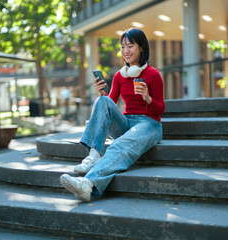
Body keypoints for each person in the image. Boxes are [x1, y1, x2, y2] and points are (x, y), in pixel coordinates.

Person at [60, 28, 165, 201]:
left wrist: (147, 98)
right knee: (102, 101)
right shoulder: (119, 76)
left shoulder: (153, 75)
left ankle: (87, 184)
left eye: (130, 46)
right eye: (123, 47)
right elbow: (109, 103)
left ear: (141, 48)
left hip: (149, 124)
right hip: (126, 123)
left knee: (118, 145)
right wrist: (100, 92)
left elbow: (160, 110)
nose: (126, 51)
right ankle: (93, 156)